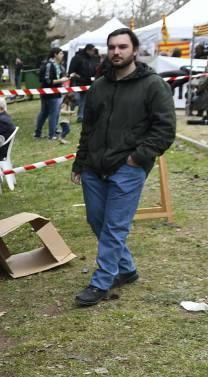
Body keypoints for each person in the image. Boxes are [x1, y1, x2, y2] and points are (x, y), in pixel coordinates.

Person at [71, 28, 175, 307]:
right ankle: (126, 269)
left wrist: (138, 158)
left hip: (128, 168)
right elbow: (88, 128)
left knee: (115, 227)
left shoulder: (153, 85)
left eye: (122, 47)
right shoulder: (99, 86)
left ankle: (102, 282)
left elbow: (164, 129)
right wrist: (80, 162)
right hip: (94, 167)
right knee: (97, 221)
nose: (116, 52)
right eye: (112, 47)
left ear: (134, 50)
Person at [34, 47, 69, 142]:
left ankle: (39, 132)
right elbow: (47, 80)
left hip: (56, 92)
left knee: (46, 113)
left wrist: (64, 79)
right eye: (61, 53)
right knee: (52, 113)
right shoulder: (49, 65)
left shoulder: (59, 65)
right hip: (49, 92)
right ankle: (51, 134)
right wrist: (60, 80)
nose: (62, 55)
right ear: (55, 54)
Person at [68, 44, 99, 122]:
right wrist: (76, 76)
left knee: (84, 101)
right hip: (76, 82)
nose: (93, 52)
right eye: (92, 50)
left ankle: (80, 116)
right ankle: (71, 106)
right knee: (76, 99)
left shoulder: (92, 58)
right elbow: (71, 71)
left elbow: (94, 69)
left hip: (87, 82)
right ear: (88, 50)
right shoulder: (77, 58)